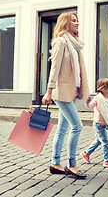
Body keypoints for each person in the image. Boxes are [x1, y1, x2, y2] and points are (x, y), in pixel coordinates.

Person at [42, 11, 90, 179]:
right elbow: (54, 69)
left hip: (69, 92)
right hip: (60, 92)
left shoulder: (74, 43)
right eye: (73, 21)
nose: (77, 23)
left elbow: (77, 71)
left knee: (62, 129)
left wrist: (84, 91)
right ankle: (71, 164)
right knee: (77, 126)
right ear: (65, 23)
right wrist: (49, 90)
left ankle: (55, 163)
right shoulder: (61, 42)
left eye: (77, 20)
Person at [80, 78, 108, 168]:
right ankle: (107, 160)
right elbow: (90, 106)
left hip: (104, 124)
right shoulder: (98, 98)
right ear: (104, 89)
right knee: (105, 141)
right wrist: (87, 101)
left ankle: (86, 153)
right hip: (98, 124)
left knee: (98, 141)